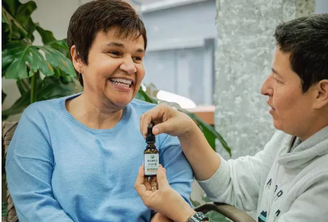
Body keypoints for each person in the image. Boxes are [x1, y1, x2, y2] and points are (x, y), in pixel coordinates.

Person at [5, 1, 193, 221]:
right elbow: (35, 205)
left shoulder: (160, 123)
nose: (130, 67)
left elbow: (177, 202)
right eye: (114, 52)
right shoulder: (40, 120)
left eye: (137, 57)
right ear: (77, 58)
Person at [135, 13, 328, 222]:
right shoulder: (295, 136)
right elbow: (234, 185)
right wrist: (188, 132)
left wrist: (182, 213)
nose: (265, 88)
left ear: (321, 93)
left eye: (279, 80)